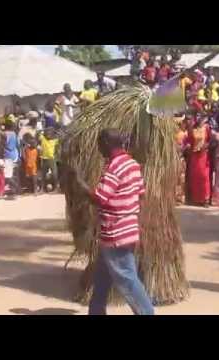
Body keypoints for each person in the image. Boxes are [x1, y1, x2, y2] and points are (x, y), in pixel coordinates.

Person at [68, 128, 154, 315]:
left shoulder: (114, 167)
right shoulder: (132, 164)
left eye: (100, 145)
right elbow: (140, 194)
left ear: (107, 143)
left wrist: (79, 182)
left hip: (115, 233)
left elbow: (100, 198)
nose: (99, 150)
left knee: (127, 279)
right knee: (102, 278)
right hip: (127, 230)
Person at [187, 115, 212, 207]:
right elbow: (189, 140)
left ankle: (205, 199)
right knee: (195, 176)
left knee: (204, 176)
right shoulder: (192, 129)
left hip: (204, 155)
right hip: (194, 155)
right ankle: (196, 199)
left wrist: (206, 146)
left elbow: (210, 141)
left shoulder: (206, 128)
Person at [2, 120, 20, 196]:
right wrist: (19, 156)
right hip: (15, 155)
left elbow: (2, 145)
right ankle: (14, 190)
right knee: (14, 174)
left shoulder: (4, 134)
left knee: (8, 175)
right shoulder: (14, 134)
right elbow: (17, 145)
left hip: (8, 155)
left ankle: (16, 189)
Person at [39, 127, 59, 192]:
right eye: (47, 132)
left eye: (50, 133)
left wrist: (55, 132)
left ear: (52, 134)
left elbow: (60, 137)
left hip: (52, 159)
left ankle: (56, 188)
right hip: (44, 158)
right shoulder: (43, 139)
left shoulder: (55, 140)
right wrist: (42, 131)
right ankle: (43, 188)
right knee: (43, 174)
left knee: (54, 174)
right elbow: (38, 134)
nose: (48, 134)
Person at [175, 115, 189, 205]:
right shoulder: (175, 133)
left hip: (181, 158)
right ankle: (176, 198)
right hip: (176, 157)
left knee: (181, 179)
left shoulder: (185, 133)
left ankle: (180, 198)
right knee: (177, 179)